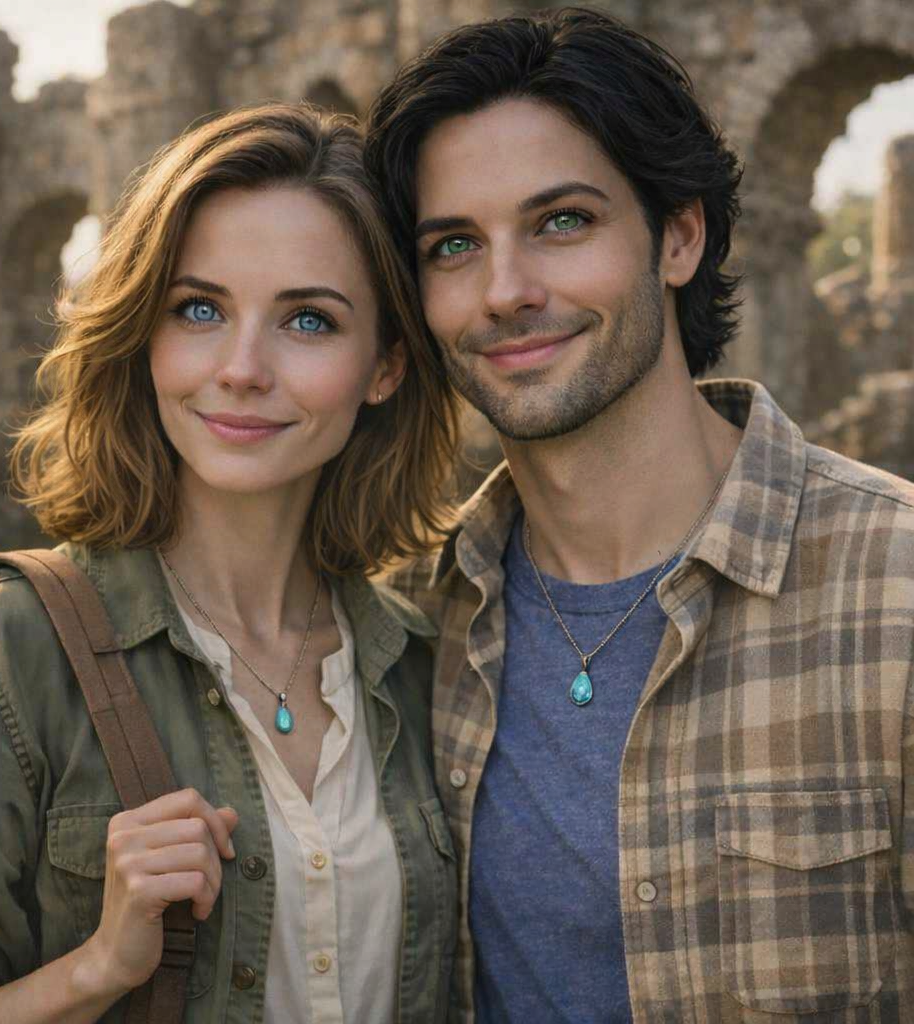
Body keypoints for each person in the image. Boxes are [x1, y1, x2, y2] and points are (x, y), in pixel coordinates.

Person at [365, 8, 914, 1023]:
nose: (505, 291)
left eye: (561, 222)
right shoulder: (402, 624)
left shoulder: (894, 593)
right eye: (453, 245)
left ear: (678, 235)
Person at [0, 104, 459, 1024]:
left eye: (308, 320)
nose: (241, 368)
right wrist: (96, 969)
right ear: (143, 334)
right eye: (199, 310)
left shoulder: (426, 663)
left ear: (385, 366)